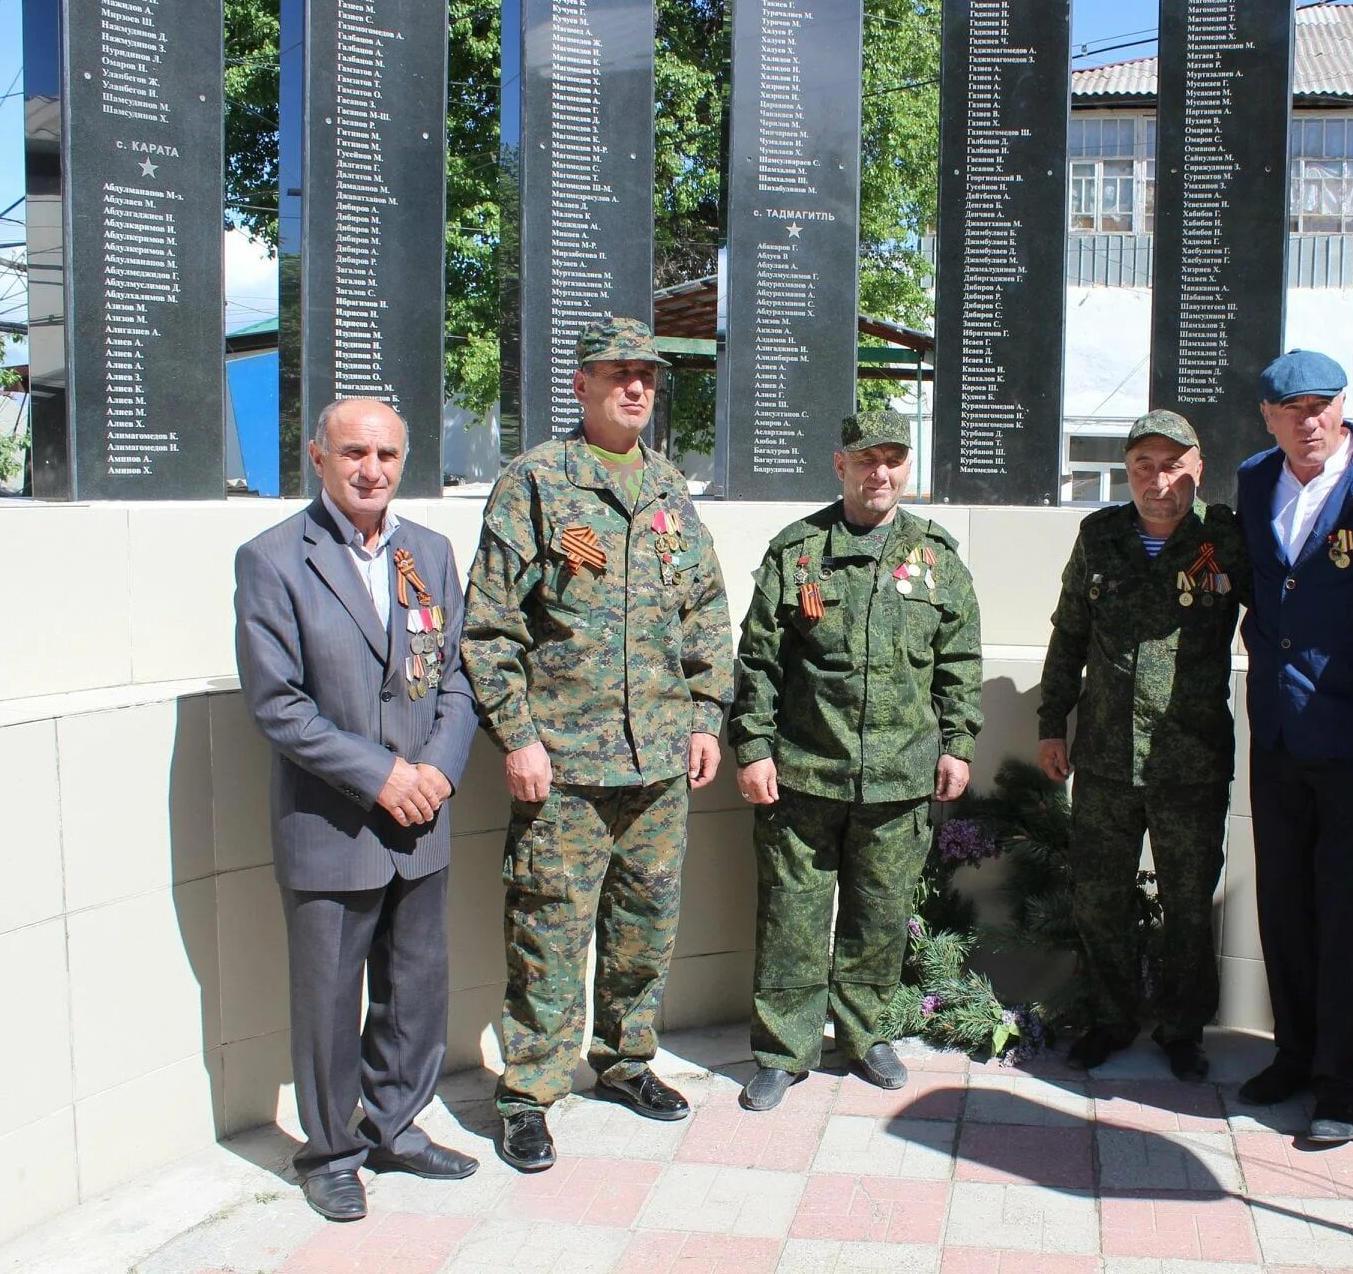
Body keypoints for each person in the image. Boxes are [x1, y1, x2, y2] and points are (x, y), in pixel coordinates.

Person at [462, 316, 734, 1171]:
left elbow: (706, 613)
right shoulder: (536, 483)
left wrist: (707, 715)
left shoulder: (668, 490)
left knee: (644, 925)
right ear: (580, 384)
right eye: (618, 373)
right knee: (548, 930)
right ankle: (530, 1092)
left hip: (658, 760)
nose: (636, 388)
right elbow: (490, 629)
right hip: (566, 767)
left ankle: (625, 1061)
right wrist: (518, 736)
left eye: (647, 376)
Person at [233, 398, 479, 1222]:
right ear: (317, 456)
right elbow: (279, 704)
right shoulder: (271, 560)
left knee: (416, 989)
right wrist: (382, 776)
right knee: (330, 999)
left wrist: (438, 772)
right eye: (353, 453)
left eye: (385, 454)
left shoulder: (432, 553)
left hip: (423, 820)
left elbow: (456, 677)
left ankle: (397, 1126)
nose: (371, 470)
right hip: (333, 823)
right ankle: (330, 1150)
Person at [729, 409, 984, 1111]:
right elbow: (758, 663)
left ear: (908, 467)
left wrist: (959, 742)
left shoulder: (935, 557)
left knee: (879, 914)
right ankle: (784, 1050)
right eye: (867, 459)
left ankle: (865, 1035)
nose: (881, 473)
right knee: (792, 916)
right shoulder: (798, 551)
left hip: (900, 777)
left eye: (894, 460)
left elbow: (959, 659)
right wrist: (752, 748)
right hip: (805, 774)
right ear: (839, 465)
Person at [1234, 351, 1353, 1144]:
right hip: (1278, 729)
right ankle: (1294, 1054)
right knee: (1282, 902)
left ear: (1345, 406)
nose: (1307, 421)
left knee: (1344, 912)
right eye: (1291, 409)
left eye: (1322, 405)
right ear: (1268, 417)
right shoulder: (1254, 479)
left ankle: (1340, 1084)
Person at [1038, 410, 1250, 1078]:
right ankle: (1110, 1018)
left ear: (1198, 468)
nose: (1157, 481)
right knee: (1100, 896)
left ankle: (1183, 1030)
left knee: (1189, 903)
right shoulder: (1098, 537)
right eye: (1142, 467)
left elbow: (1277, 626)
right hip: (1104, 755)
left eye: (1171, 465)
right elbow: (1069, 633)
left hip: (1190, 759)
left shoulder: (1226, 539)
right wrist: (1052, 723)